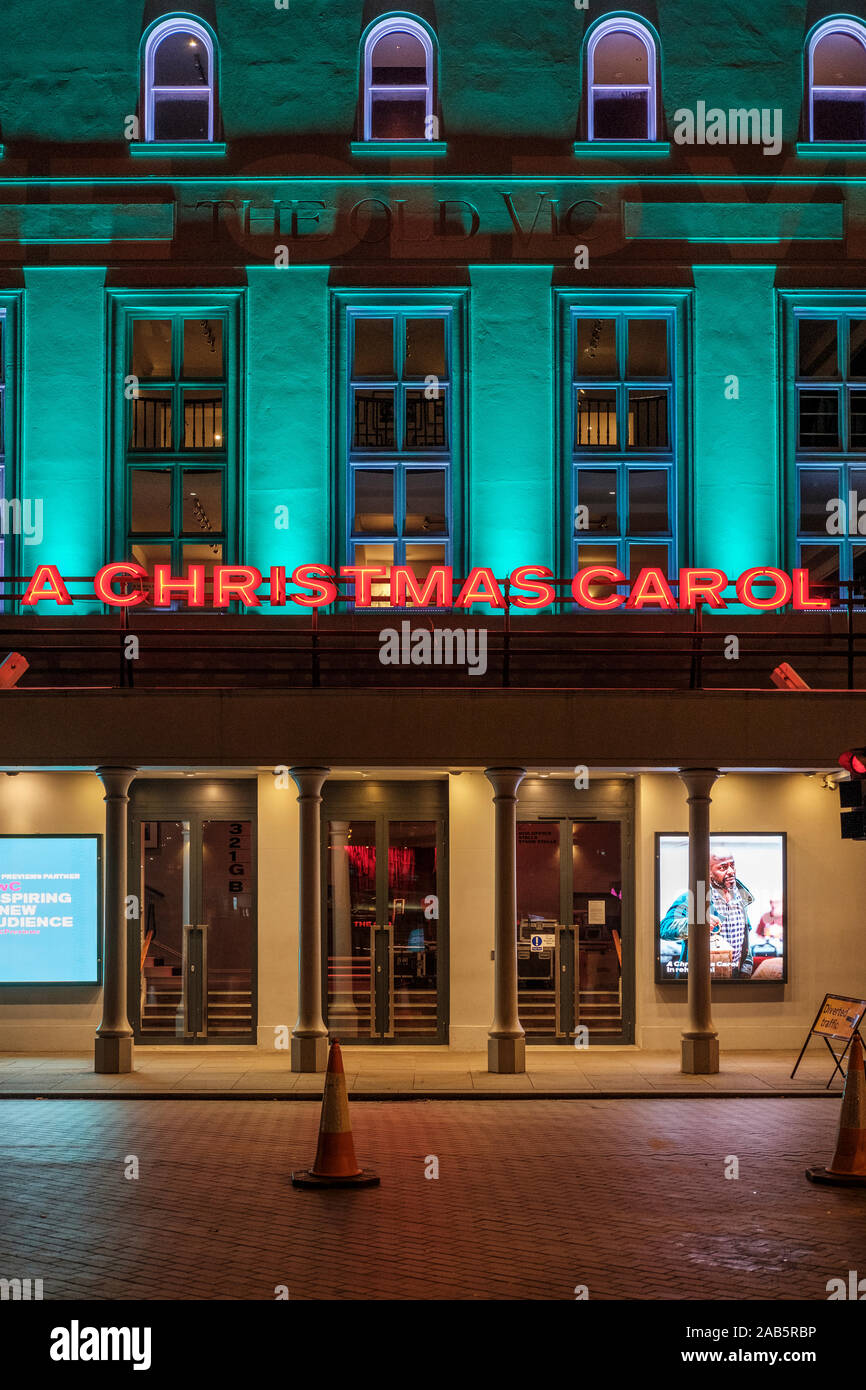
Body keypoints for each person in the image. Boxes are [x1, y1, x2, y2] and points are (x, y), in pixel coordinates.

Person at [660, 848, 754, 980]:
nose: (731, 871)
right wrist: (696, 923)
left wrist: (746, 967)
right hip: (701, 982)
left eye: (732, 865)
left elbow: (745, 939)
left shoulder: (741, 897)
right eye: (723, 867)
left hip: (735, 979)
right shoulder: (695, 897)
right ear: (708, 871)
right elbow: (664, 928)